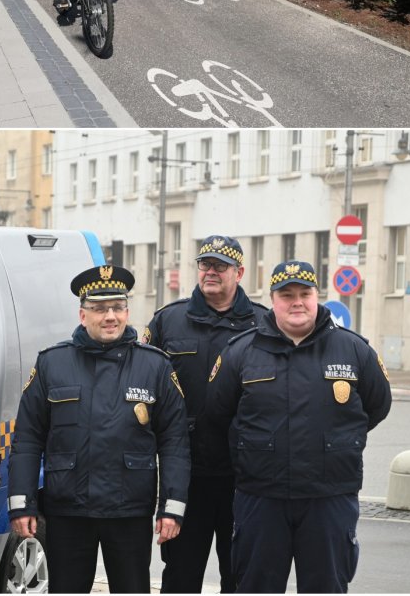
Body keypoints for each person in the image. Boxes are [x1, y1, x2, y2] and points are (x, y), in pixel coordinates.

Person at [202, 260, 392, 593]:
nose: (297, 302)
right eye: (286, 295)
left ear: (317, 297)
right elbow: (218, 415)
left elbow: (376, 406)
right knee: (255, 585)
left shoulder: (353, 349)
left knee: (326, 586)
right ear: (272, 300)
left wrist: (338, 441)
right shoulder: (242, 352)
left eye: (304, 293)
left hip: (329, 496)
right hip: (261, 497)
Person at [8, 265, 190, 594]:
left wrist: (171, 508)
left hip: (129, 510)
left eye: (118, 307)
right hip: (68, 510)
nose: (110, 316)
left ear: (127, 312)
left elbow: (175, 443)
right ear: (82, 314)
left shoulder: (155, 366)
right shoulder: (52, 363)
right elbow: (27, 439)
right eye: (100, 308)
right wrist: (21, 503)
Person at [144, 235, 268, 593]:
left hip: (242, 475)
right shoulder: (169, 321)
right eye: (205, 265)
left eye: (220, 266)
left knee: (241, 572)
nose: (210, 272)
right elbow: (142, 383)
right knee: (181, 574)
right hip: (186, 475)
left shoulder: (263, 324)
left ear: (239, 272)